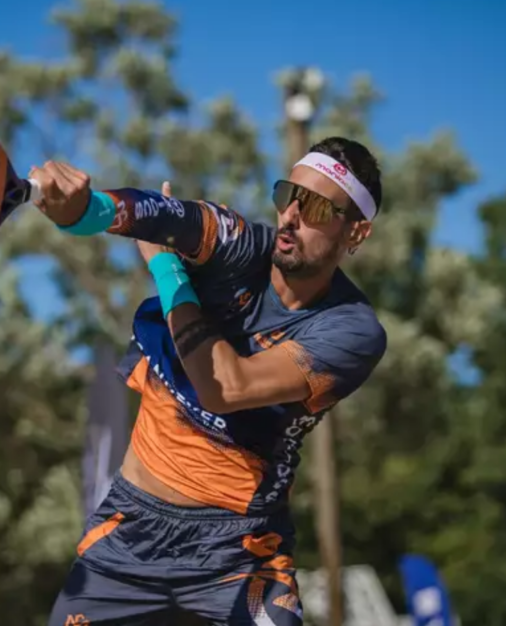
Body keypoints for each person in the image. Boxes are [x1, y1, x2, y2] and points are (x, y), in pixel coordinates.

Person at [34, 136, 388, 626]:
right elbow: (157, 216)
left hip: (238, 552)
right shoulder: (241, 246)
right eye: (290, 195)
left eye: (318, 209)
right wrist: (80, 209)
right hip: (129, 534)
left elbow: (225, 387)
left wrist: (165, 269)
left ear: (357, 232)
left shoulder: (353, 331)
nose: (292, 217)